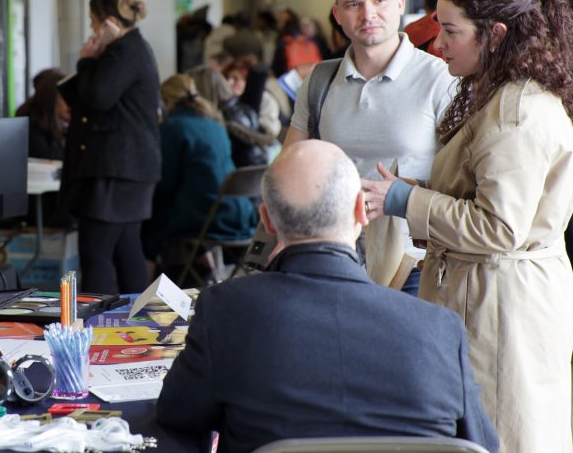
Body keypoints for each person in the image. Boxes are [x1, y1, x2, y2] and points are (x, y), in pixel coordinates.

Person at [156, 140, 498, 453]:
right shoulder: (439, 329)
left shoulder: (224, 311)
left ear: (267, 221)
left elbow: (176, 418)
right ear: (361, 211)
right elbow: (482, 446)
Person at [362, 0, 573, 453]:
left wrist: (409, 201)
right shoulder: (504, 95)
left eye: (451, 31)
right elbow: (488, 194)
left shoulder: (515, 113)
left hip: (502, 307)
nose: (437, 44)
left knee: (501, 436)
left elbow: (499, 227)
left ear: (495, 35)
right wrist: (420, 191)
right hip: (493, 295)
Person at [285, 0, 455, 293]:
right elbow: (290, 167)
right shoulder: (319, 81)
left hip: (415, 263)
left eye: (379, 0)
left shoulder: (442, 79)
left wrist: (406, 193)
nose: (368, 14)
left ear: (400, 4)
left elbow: (465, 183)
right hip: (336, 258)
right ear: (337, 15)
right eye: (353, 4)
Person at [58, 0, 160, 294]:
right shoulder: (135, 48)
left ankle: (97, 318)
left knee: (96, 252)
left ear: (110, 23)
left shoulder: (123, 51)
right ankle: (135, 313)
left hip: (117, 168)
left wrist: (86, 61)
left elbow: (99, 97)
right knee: (126, 248)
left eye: (94, 22)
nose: (91, 30)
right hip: (131, 167)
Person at [143, 74, 256, 277]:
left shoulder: (171, 128)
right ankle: (208, 270)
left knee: (150, 217)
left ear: (166, 101)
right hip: (239, 213)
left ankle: (144, 284)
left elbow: (165, 183)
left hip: (208, 218)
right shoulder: (215, 124)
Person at [15, 68, 69, 160]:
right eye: (65, 97)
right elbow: (48, 157)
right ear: (51, 98)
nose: (70, 102)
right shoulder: (30, 120)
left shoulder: (61, 121)